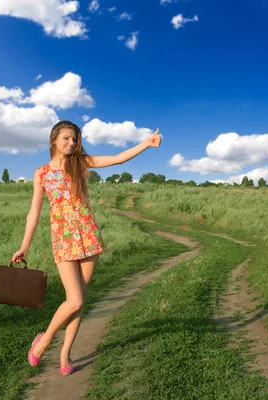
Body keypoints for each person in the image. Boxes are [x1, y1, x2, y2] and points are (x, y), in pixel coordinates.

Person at [10, 120, 161, 375]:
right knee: (74, 298)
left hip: (89, 236)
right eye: (67, 138)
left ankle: (65, 352)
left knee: (80, 302)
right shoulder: (42, 173)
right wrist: (25, 246)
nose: (71, 143)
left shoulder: (81, 162)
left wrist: (145, 143)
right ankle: (44, 340)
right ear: (54, 139)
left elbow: (117, 159)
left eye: (75, 139)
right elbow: (34, 212)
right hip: (63, 239)